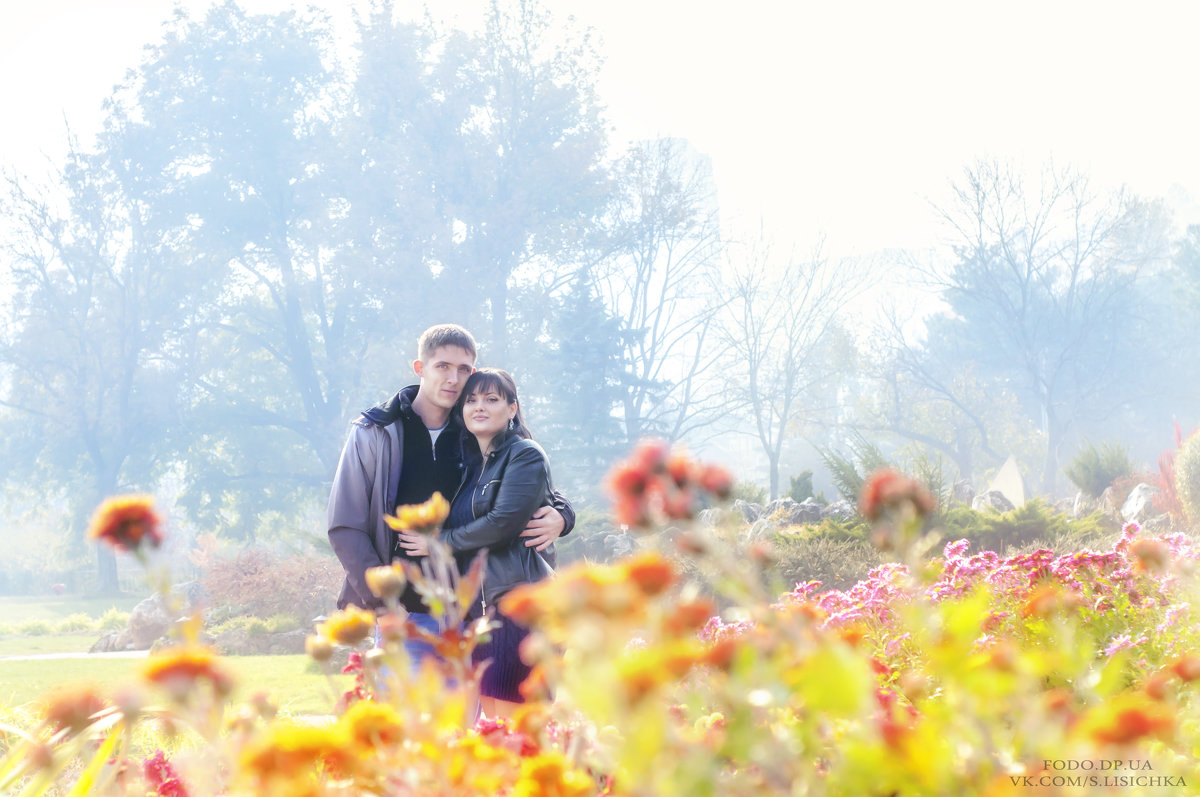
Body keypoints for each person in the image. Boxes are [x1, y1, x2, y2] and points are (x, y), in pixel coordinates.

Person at [325, 324, 573, 665]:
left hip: (472, 614)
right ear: (420, 368)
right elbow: (345, 526)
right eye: (442, 366)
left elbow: (528, 481)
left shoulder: (475, 427)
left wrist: (562, 514)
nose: (453, 379)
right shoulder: (375, 432)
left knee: (472, 720)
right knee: (412, 718)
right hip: (406, 615)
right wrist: (382, 605)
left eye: (463, 369)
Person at [397, 368, 555, 719]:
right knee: (494, 722)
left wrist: (440, 544)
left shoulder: (524, 454)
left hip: (519, 606)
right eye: (471, 400)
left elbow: (503, 523)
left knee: (521, 722)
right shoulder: (472, 467)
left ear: (512, 408)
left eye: (491, 399)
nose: (478, 407)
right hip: (481, 614)